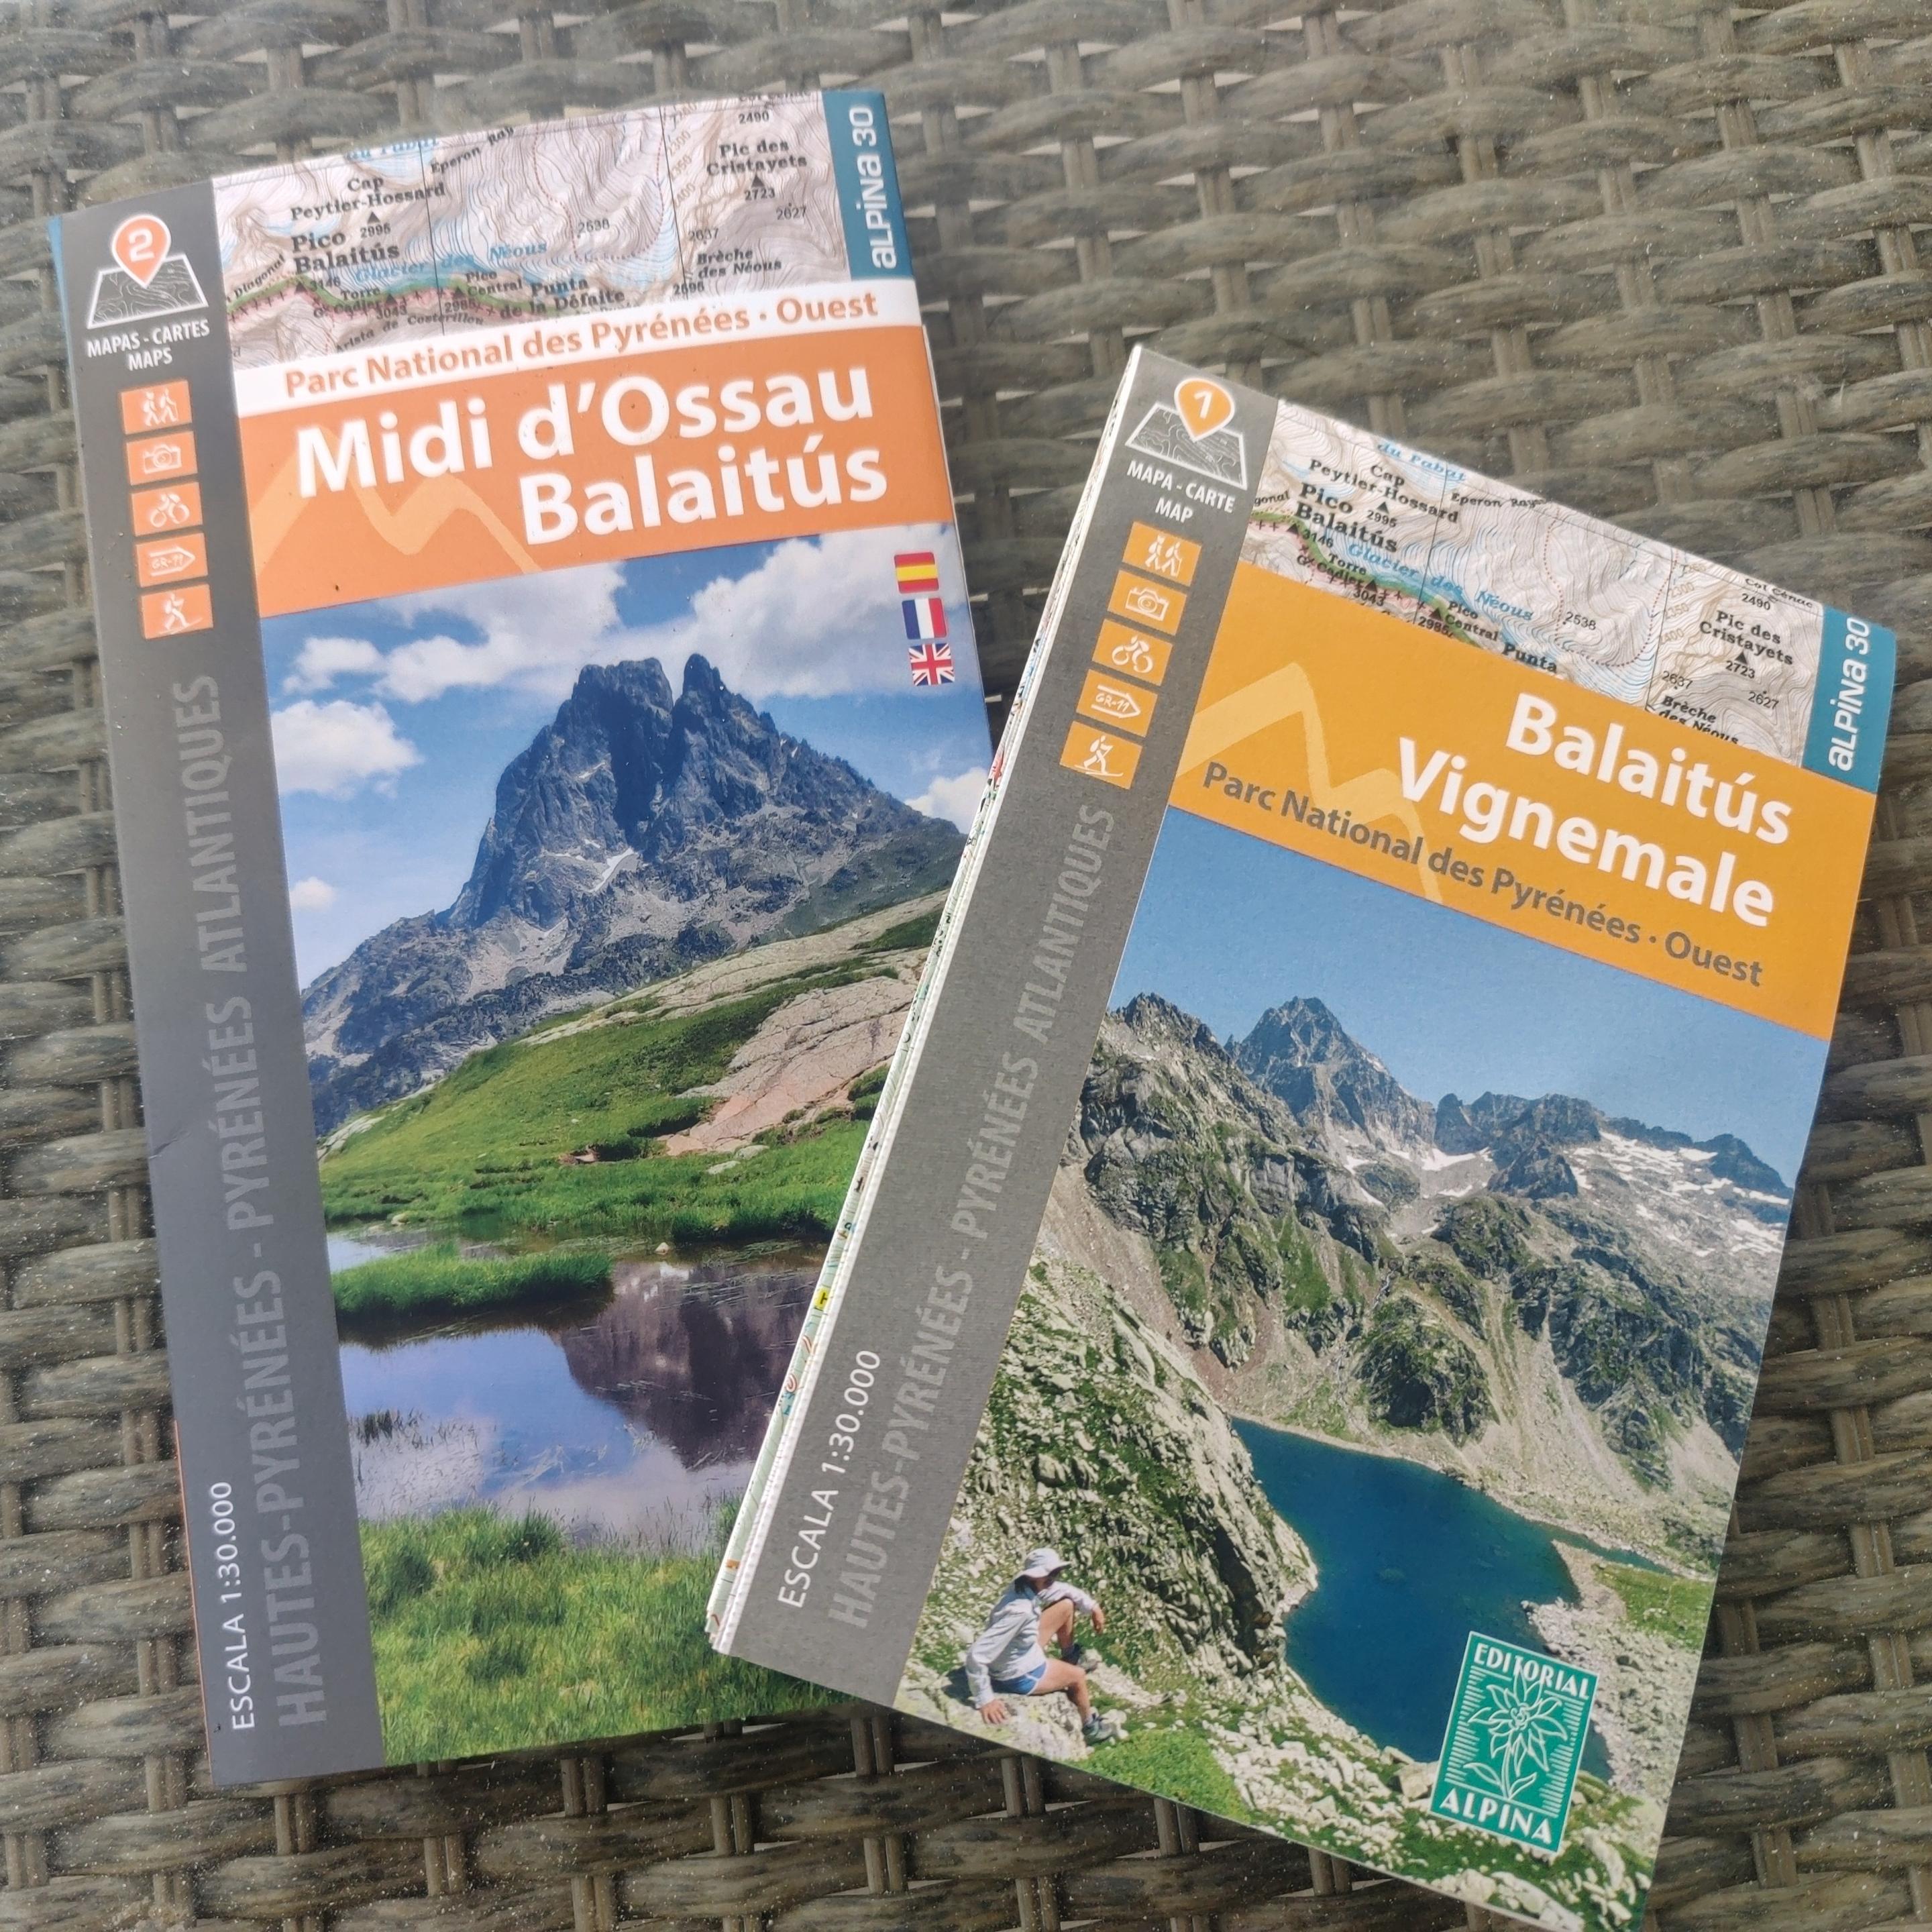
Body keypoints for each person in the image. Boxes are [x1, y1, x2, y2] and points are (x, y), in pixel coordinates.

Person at [965, 1547, 1117, 1741]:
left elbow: (1064, 1591)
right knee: (1078, 1677)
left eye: (1055, 1572)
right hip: (1017, 1672)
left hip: (1022, 1650)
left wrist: (1094, 1607)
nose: (1053, 1577)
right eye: (1048, 1573)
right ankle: (1091, 1728)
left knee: (1066, 1605)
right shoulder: (1020, 1611)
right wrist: (985, 1699)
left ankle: (1069, 1658)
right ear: (1033, 1576)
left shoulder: (1025, 1587)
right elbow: (977, 1655)